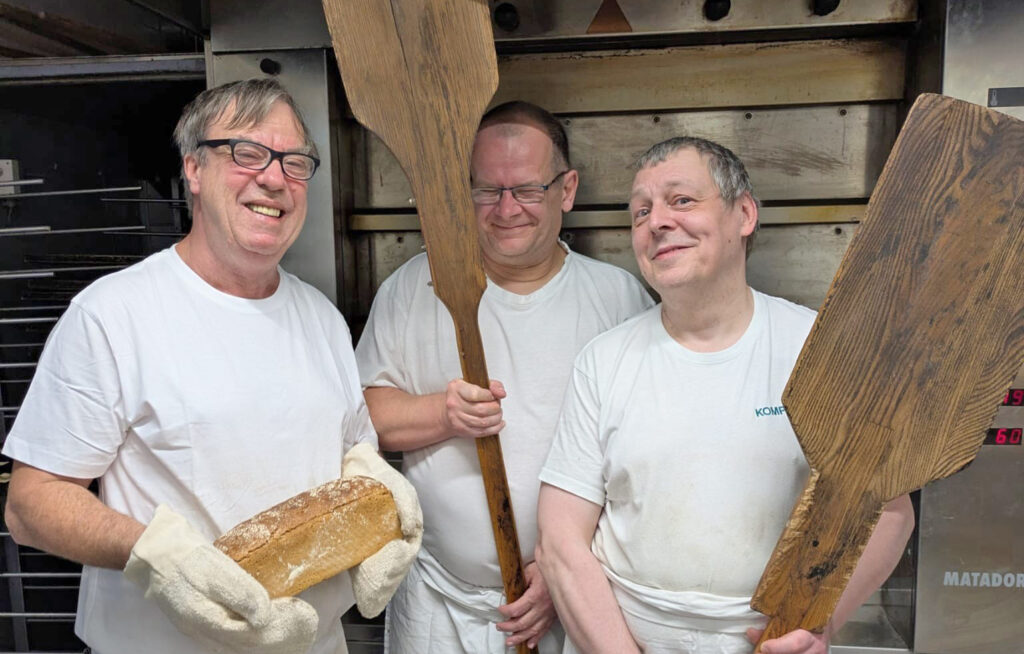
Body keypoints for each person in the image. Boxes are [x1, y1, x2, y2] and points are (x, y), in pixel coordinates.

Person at [2, 78, 420, 654]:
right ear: (193, 170)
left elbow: (351, 452)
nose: (274, 178)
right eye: (245, 153)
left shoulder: (320, 316)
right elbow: (32, 502)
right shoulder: (113, 314)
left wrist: (377, 494)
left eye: (294, 162)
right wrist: (158, 555)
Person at [535, 136, 916, 654]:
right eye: (641, 211)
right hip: (619, 637)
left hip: (765, 641)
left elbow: (890, 513)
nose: (657, 222)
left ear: (744, 214)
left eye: (682, 200)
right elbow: (560, 541)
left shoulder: (818, 353)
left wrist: (817, 627)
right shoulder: (603, 362)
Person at [355, 100, 654, 653]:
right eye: (486, 190)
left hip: (573, 598)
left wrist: (566, 568)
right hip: (438, 603)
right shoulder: (414, 288)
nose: (506, 208)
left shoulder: (617, 299)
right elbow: (363, 419)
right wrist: (442, 414)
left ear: (566, 190)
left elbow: (645, 461)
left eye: (527, 190)